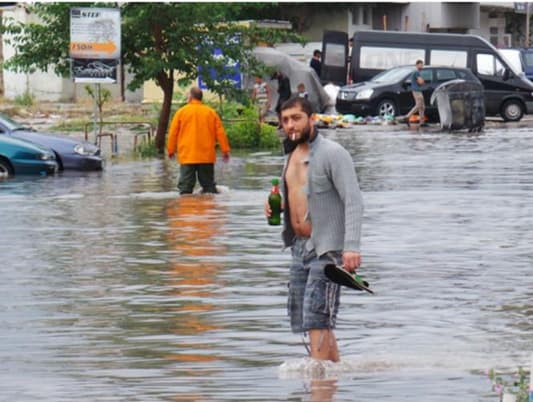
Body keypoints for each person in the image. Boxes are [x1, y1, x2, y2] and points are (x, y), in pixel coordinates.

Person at [264, 97, 364, 362]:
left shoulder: (333, 153)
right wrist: (278, 207)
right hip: (298, 247)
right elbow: (297, 197)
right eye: (285, 120)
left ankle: (319, 385)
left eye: (296, 118)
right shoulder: (290, 156)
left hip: (327, 249)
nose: (290, 125)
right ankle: (331, 379)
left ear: (312, 119)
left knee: (317, 316)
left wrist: (352, 247)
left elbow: (353, 199)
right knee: (308, 319)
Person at [167, 86, 230, 194]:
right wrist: (225, 150)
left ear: (191, 97)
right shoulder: (210, 112)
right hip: (206, 156)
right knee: (209, 188)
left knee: (185, 189)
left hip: (187, 156)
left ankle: (187, 208)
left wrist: (171, 150)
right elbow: (220, 133)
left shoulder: (181, 112)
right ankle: (208, 209)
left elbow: (173, 133)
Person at [402, 59, 427, 127]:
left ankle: (422, 122)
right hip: (417, 91)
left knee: (422, 107)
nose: (422, 66)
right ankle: (407, 117)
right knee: (418, 105)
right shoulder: (416, 72)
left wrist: (422, 81)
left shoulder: (416, 72)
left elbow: (420, 81)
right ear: (417, 65)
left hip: (418, 90)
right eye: (420, 64)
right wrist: (422, 81)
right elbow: (421, 82)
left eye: (422, 64)